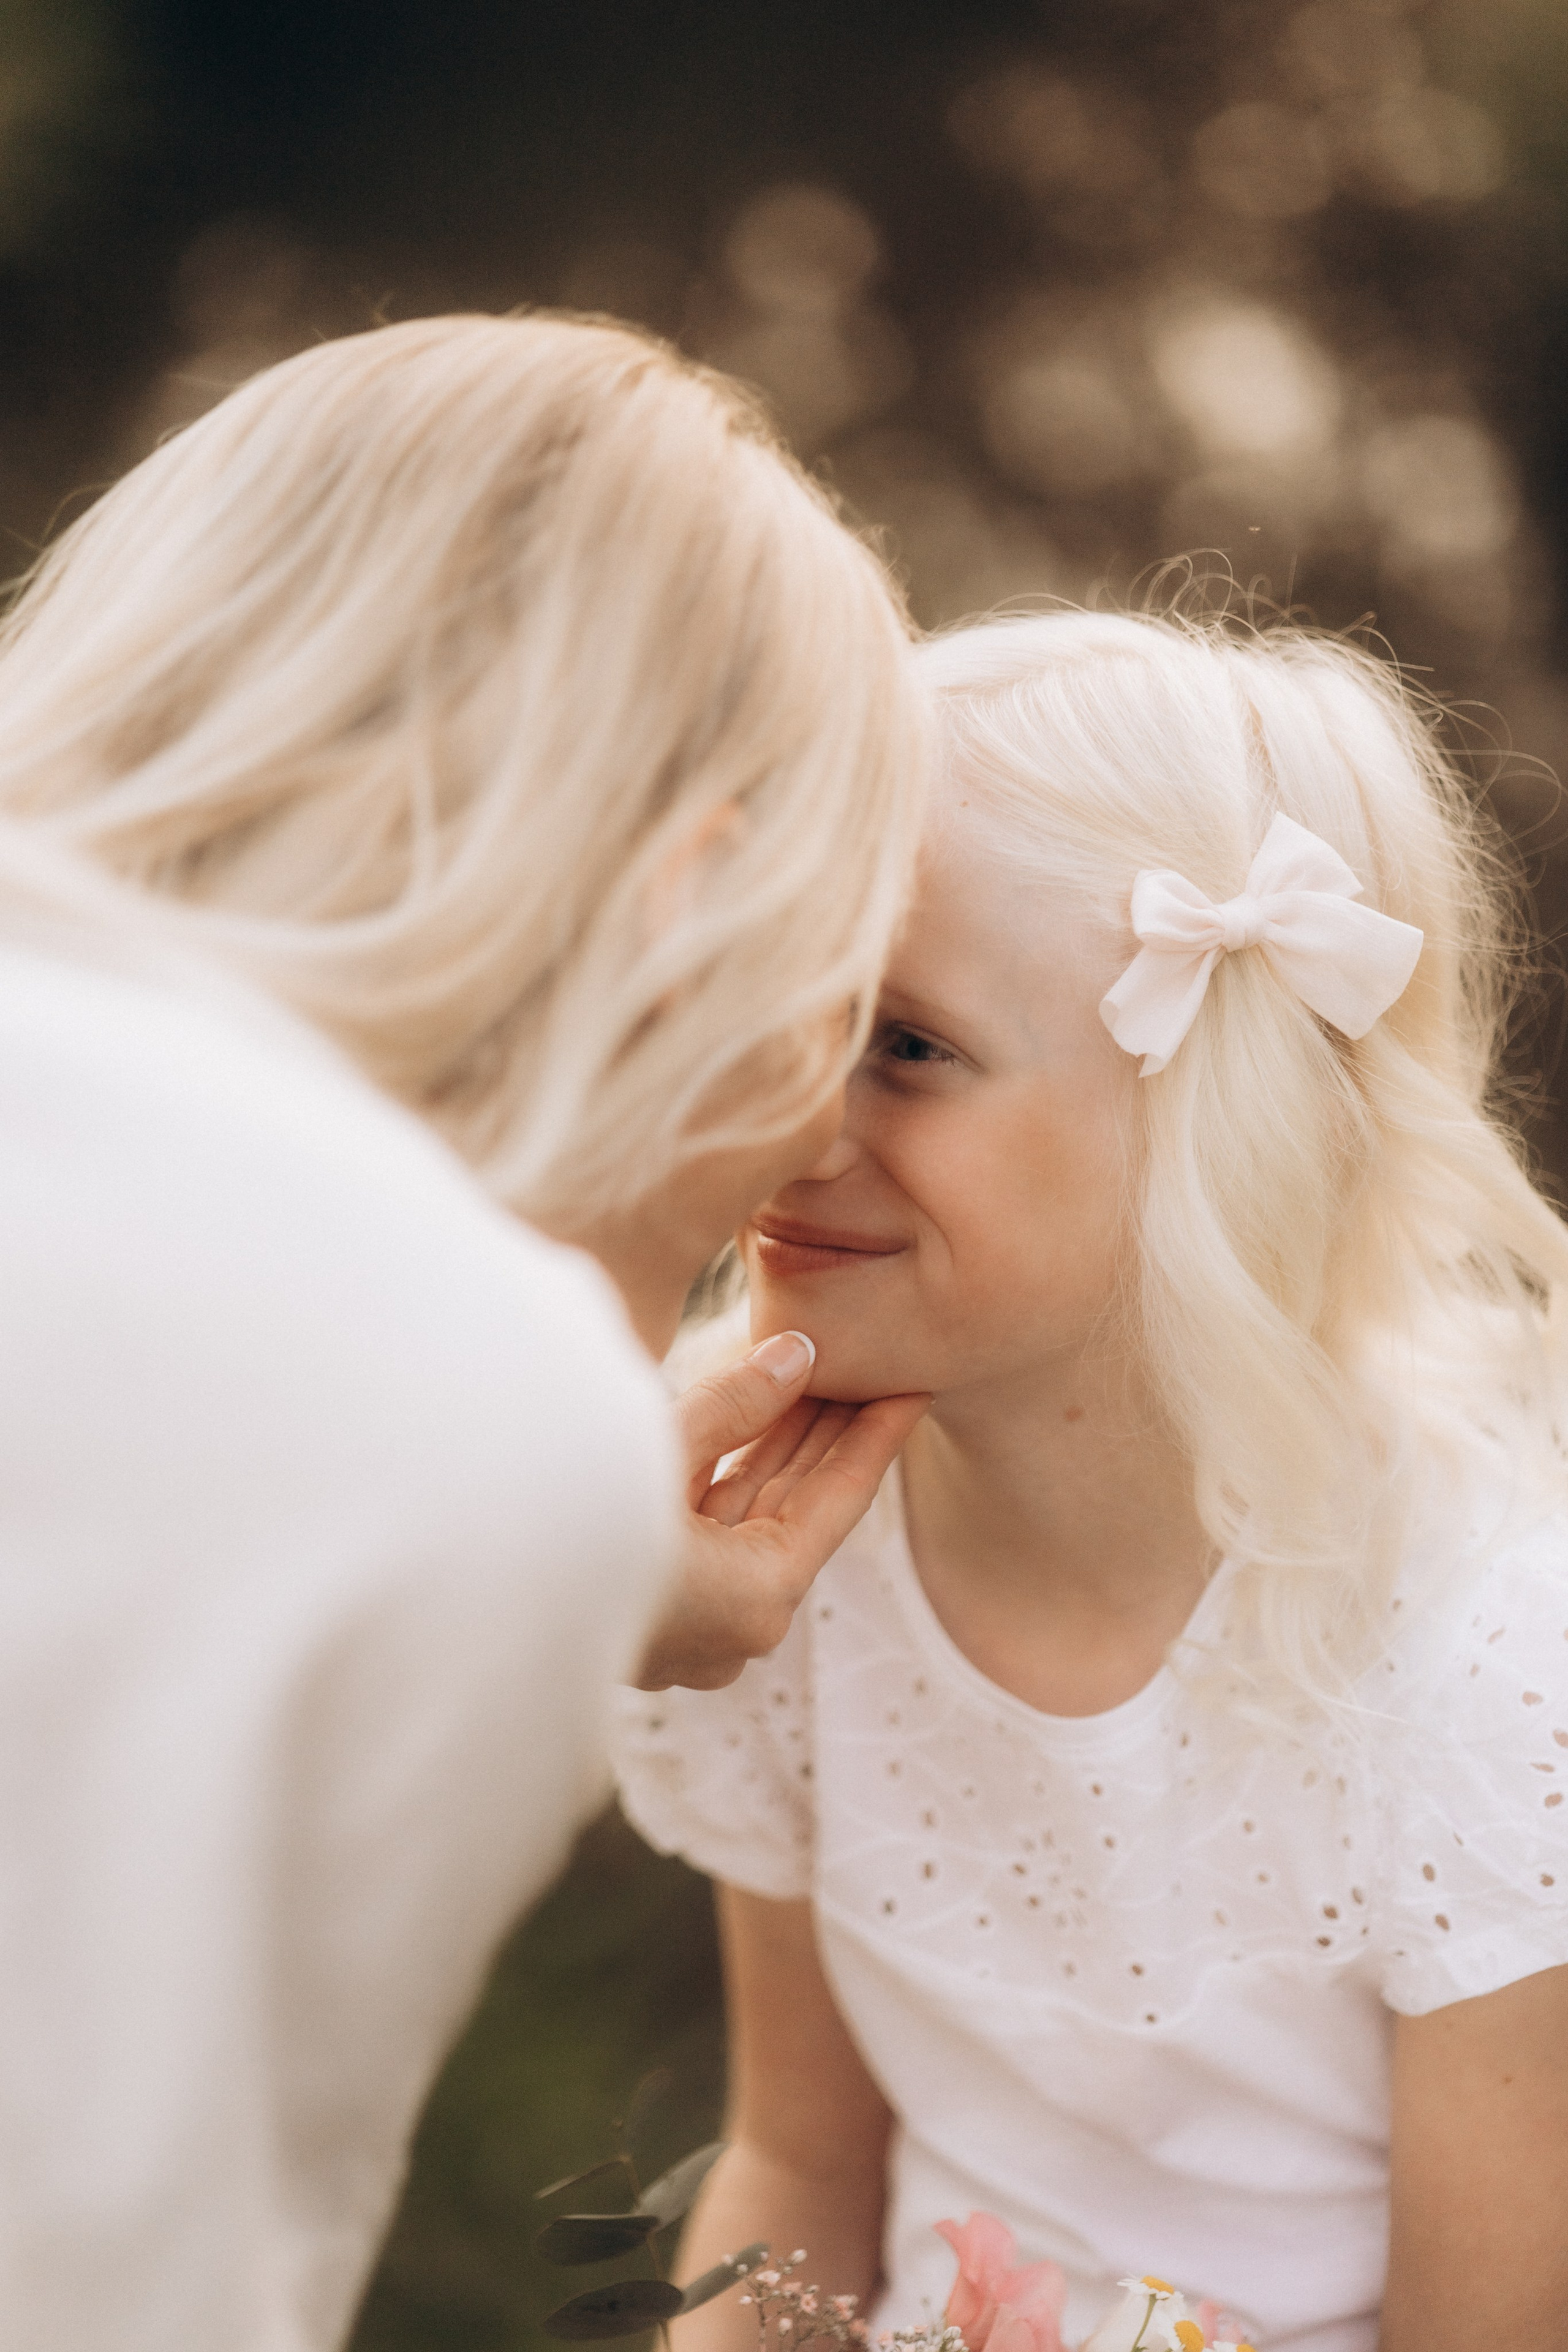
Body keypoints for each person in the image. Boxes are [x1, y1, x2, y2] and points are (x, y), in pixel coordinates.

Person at [0, 313, 932, 2347]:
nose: (818, 1142)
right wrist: (564, 1514)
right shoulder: (460, 1394)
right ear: (691, 913)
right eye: (851, 1019)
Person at [616, 610, 1568, 2352]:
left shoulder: (1488, 1672)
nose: (791, 1121)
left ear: (1219, 1115)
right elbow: (795, 2166)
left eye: (904, 1045)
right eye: (780, 1014)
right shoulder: (771, 1569)